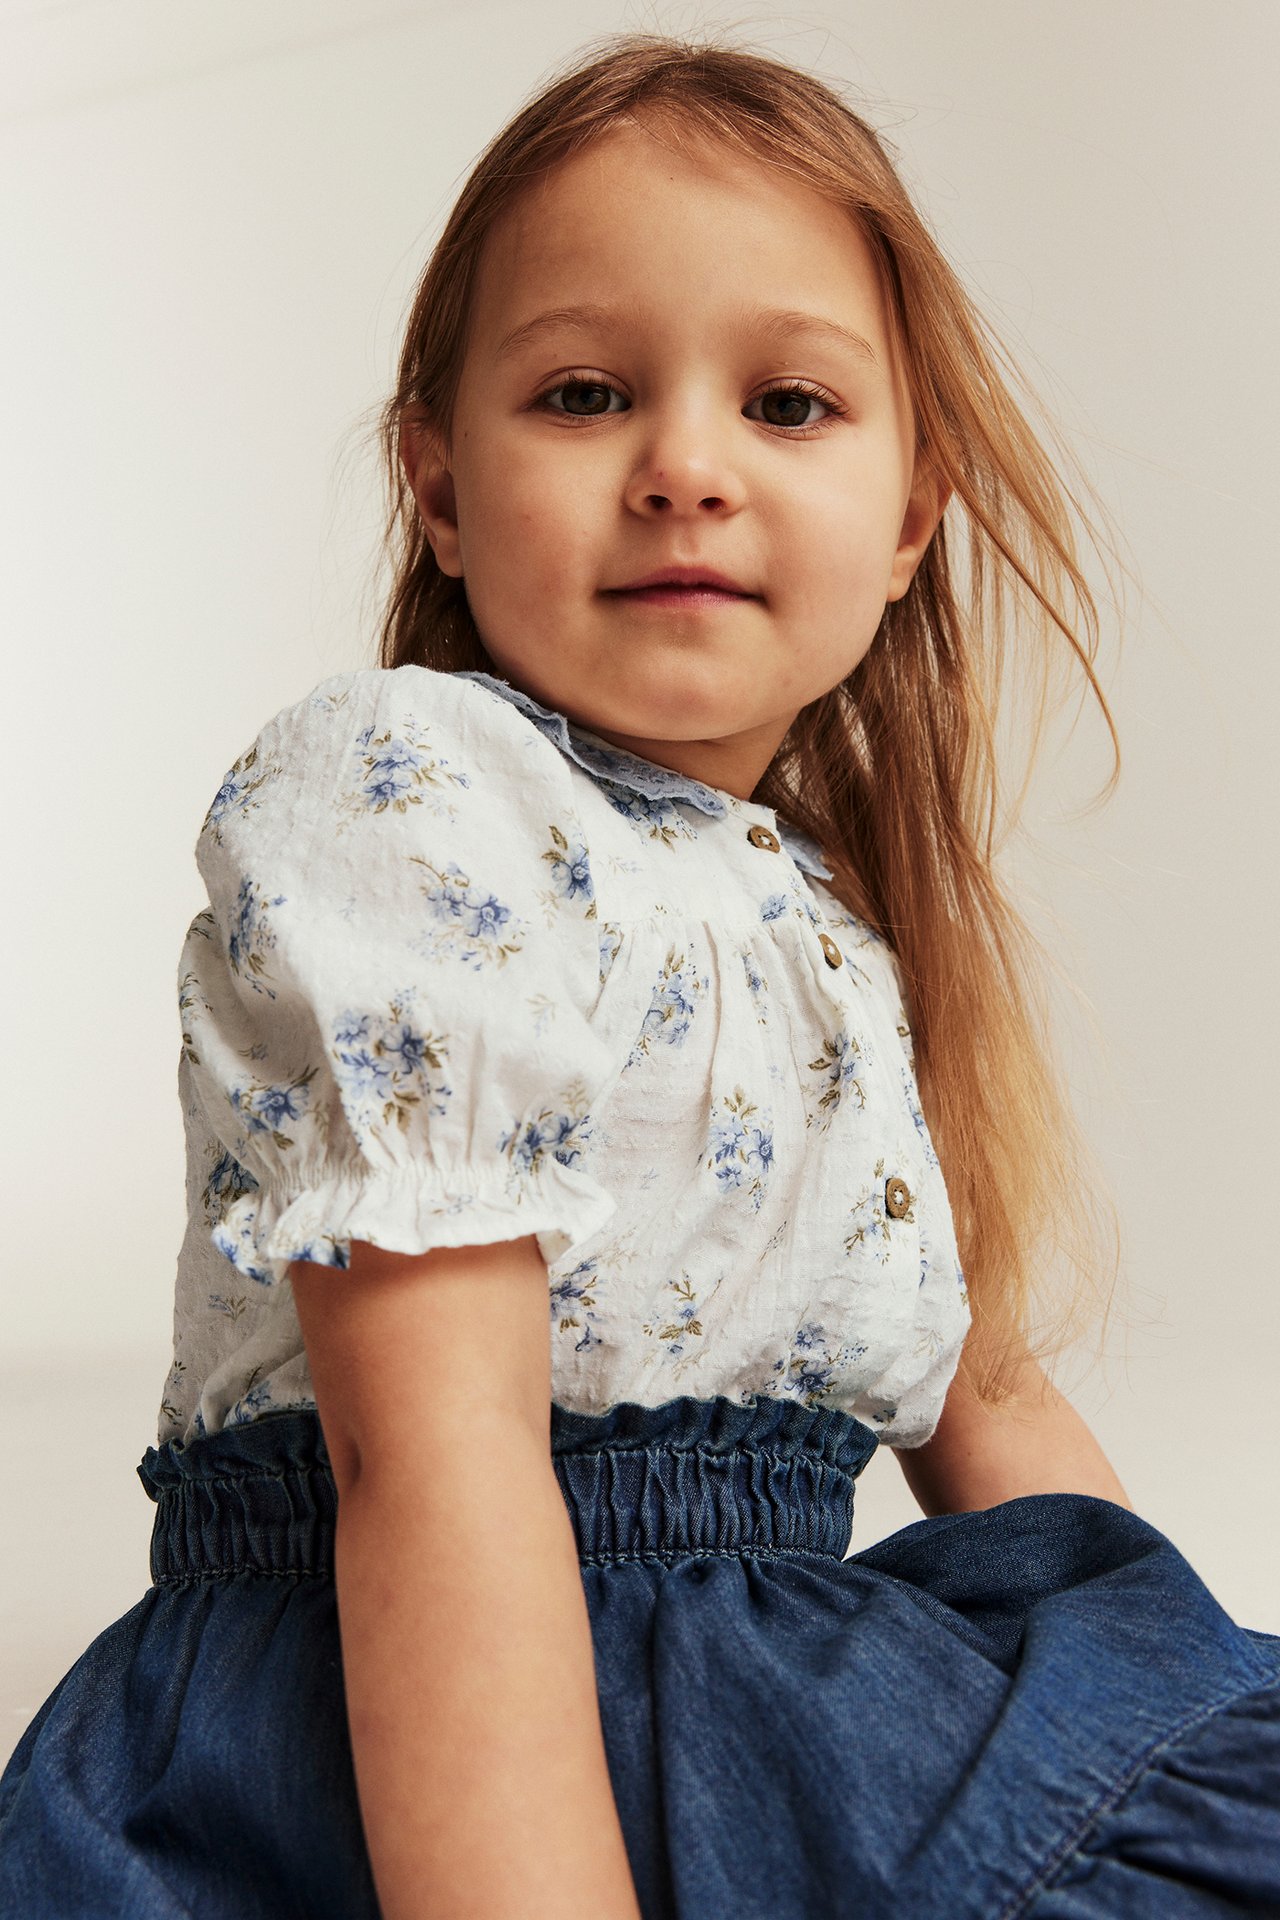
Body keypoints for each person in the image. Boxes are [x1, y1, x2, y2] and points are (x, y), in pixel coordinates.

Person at [1, 29, 1277, 1920]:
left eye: (789, 405)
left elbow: (992, 1422)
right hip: (447, 1711)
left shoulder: (825, 922)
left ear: (913, 514)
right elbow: (428, 1462)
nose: (687, 466)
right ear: (435, 483)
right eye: (587, 393)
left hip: (769, 1695)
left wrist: (1178, 1739)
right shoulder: (406, 797)